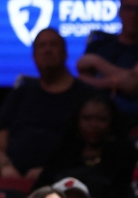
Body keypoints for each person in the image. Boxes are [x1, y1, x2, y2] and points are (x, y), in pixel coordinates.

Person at [34, 95, 138, 198]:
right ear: (77, 120)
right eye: (87, 118)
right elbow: (38, 192)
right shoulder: (63, 152)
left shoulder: (126, 155)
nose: (93, 125)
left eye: (101, 119)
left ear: (112, 122)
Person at [0, 28, 94, 179]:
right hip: (13, 179)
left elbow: (91, 147)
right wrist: (4, 166)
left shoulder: (85, 95)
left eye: (53, 44)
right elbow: (1, 138)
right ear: (34, 56)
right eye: (41, 46)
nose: (47, 50)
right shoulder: (21, 93)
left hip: (66, 178)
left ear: (65, 52)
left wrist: (49, 173)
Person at [77, 0, 138, 121]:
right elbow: (81, 81)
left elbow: (133, 84)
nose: (133, 15)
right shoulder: (99, 44)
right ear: (120, 11)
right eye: (128, 8)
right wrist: (115, 82)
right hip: (96, 123)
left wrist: (96, 62)